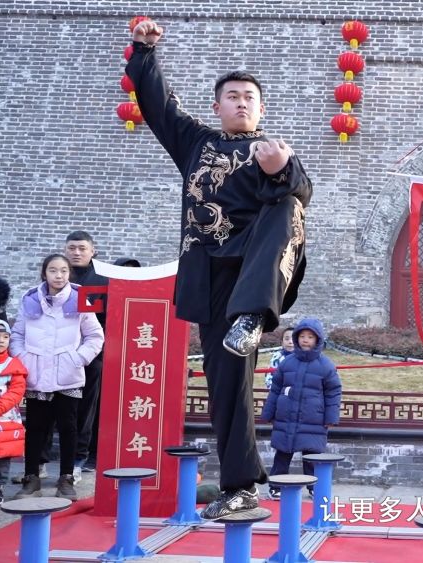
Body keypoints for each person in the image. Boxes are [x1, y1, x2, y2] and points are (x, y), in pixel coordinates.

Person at [128, 19, 313, 518]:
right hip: (209, 276)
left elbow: (303, 194)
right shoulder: (197, 143)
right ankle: (241, 487)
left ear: (261, 108)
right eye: (232, 96)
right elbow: (159, 107)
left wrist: (280, 171)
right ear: (217, 106)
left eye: (250, 97)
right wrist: (144, 52)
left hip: (256, 272)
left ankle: (252, 316)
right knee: (226, 385)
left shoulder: (273, 149)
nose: (241, 103)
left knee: (288, 205)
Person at [10, 254, 105, 501]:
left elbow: (95, 336)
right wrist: (23, 358)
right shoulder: (30, 298)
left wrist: (78, 358)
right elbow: (18, 334)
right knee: (35, 428)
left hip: (68, 373)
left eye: (63, 270)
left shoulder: (79, 297)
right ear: (45, 273)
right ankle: (31, 478)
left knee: (68, 428)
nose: (59, 275)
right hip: (37, 372)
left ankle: (66, 478)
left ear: (69, 273)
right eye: (53, 270)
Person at [260, 319, 341, 499]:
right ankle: (276, 485)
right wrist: (269, 412)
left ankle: (313, 487)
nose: (305, 340)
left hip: (313, 418)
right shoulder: (287, 363)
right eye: (302, 336)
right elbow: (275, 389)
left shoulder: (326, 365)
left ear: (318, 339)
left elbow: (333, 392)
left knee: (312, 455)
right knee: (282, 453)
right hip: (286, 417)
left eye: (310, 337)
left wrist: (331, 417)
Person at [64, 231, 109, 477]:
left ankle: (84, 454)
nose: (77, 252)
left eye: (82, 248)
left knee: (90, 405)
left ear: (93, 251)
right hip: (60, 352)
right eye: (72, 248)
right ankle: (44, 460)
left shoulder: (103, 278)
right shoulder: (59, 275)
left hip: (93, 354)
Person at [0, 320, 27, 506]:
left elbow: (16, 392)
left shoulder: (14, 365)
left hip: (6, 420)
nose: (1, 340)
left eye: (5, 337)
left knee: (2, 458)